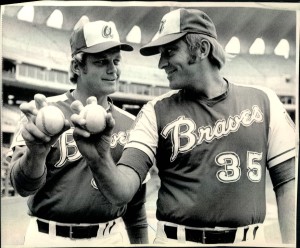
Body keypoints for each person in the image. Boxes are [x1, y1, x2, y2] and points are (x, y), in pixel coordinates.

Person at [70, 8, 297, 245]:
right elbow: (122, 192)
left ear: (202, 50)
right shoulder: (155, 111)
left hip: (249, 241)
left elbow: (287, 184)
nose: (161, 63)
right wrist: (100, 159)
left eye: (169, 51)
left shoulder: (264, 101)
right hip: (176, 241)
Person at [6, 20, 149, 246]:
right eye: (102, 62)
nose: (113, 69)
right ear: (77, 67)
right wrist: (36, 155)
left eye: (116, 60)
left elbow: (136, 205)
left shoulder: (133, 123)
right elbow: (22, 187)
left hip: (111, 237)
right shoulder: (42, 111)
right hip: (49, 238)